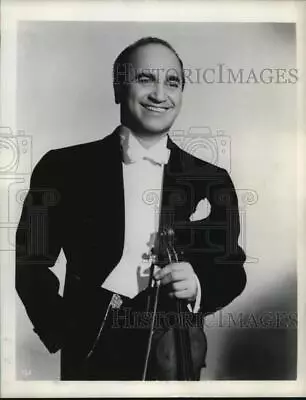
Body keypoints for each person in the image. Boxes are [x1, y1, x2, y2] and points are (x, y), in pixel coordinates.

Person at [16, 36, 247, 380]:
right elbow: (30, 261)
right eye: (145, 79)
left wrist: (199, 285)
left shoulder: (212, 179)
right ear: (117, 89)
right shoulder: (62, 168)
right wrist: (63, 330)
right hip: (94, 345)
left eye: (172, 82)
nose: (159, 93)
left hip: (174, 346)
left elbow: (232, 268)